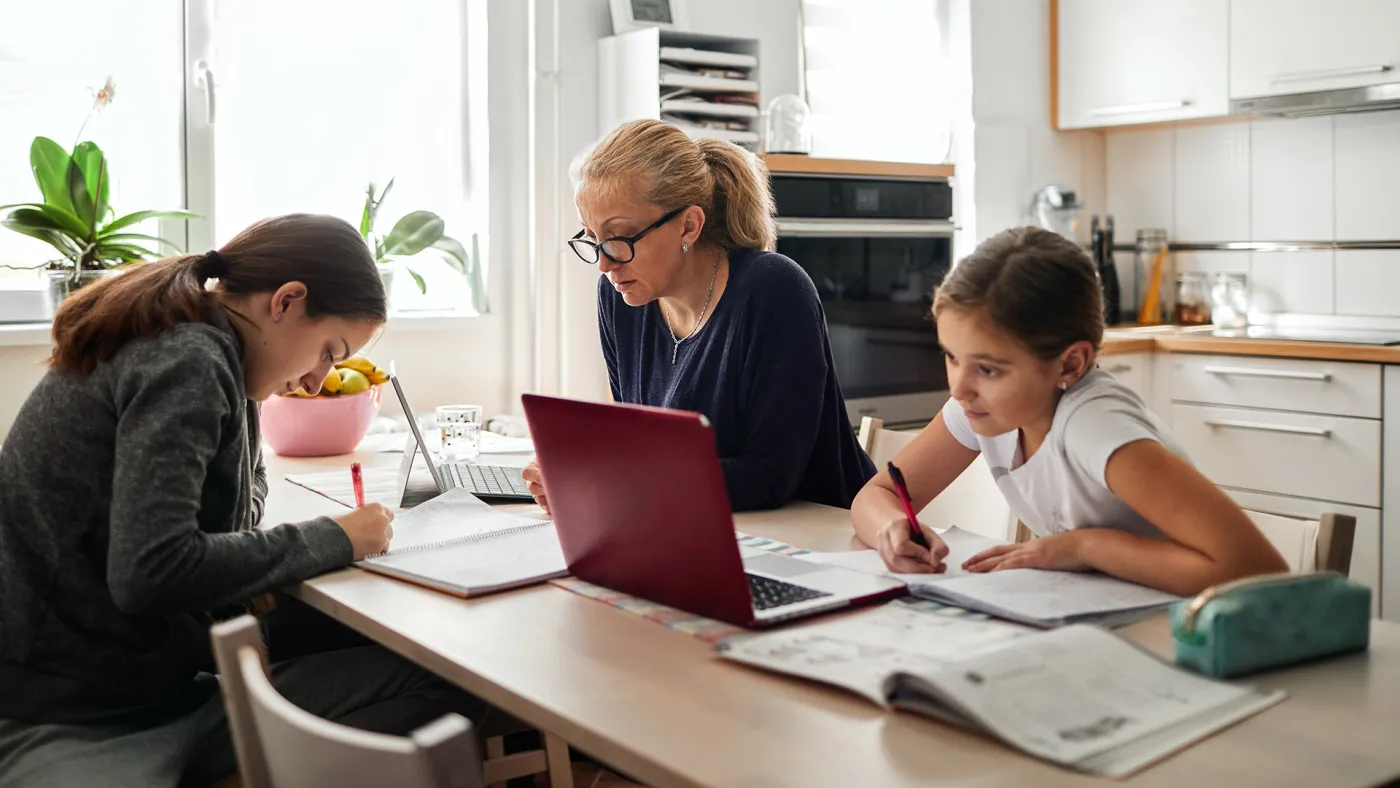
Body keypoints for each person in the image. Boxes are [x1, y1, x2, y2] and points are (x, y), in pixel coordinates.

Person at [0, 214, 488, 787]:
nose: (316, 382)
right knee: (449, 694)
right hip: (84, 708)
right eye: (330, 351)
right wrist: (338, 537)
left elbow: (233, 514)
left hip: (128, 672)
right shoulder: (188, 360)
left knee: (430, 660)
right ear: (285, 301)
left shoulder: (204, 347)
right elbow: (151, 572)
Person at [850, 226, 1287, 596]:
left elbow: (1257, 571)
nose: (959, 388)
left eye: (987, 368)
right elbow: (876, 496)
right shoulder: (984, 406)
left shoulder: (1095, 427)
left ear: (1070, 364)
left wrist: (1083, 548)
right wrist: (892, 529)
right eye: (951, 356)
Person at [522, 119, 874, 512]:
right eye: (592, 238)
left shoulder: (774, 290)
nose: (604, 263)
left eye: (619, 239)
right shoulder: (620, 296)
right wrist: (581, 473)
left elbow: (770, 477)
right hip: (698, 525)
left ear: (689, 225)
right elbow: (639, 447)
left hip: (824, 537)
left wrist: (613, 481)